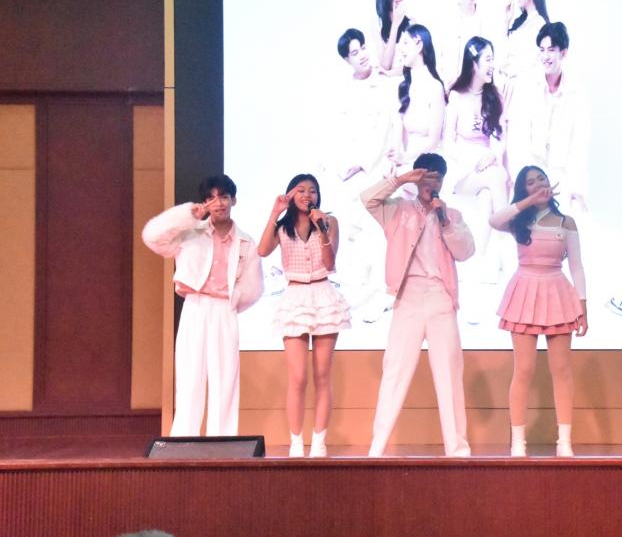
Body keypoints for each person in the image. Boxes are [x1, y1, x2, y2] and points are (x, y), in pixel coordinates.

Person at [360, 153, 475, 457]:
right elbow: (367, 199)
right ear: (417, 177)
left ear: (443, 182)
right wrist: (401, 180)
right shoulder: (398, 209)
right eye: (426, 176)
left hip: (440, 297)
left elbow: (465, 252)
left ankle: (457, 450)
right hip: (408, 295)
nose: (431, 182)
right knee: (395, 370)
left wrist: (444, 219)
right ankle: (376, 449)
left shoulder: (452, 215)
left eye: (437, 177)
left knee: (449, 373)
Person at [142, 175, 263, 437]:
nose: (218, 203)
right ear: (205, 202)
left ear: (233, 200)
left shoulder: (245, 241)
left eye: (224, 197)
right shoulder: (190, 233)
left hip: (224, 309)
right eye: (211, 198)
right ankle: (183, 440)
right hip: (195, 306)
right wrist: (187, 216)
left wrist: (233, 300)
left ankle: (224, 441)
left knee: (225, 378)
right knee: (190, 376)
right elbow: (151, 236)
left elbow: (254, 287)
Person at [489, 166, 587, 457]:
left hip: (557, 292)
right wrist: (528, 202)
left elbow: (577, 267)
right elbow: (494, 220)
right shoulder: (518, 220)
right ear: (523, 189)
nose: (537, 185)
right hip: (525, 291)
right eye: (530, 183)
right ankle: (518, 442)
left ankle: (564, 442)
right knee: (524, 369)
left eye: (540, 179)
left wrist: (583, 304)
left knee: (562, 370)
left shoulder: (566, 222)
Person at [257, 174, 351, 457]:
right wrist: (274, 213)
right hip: (295, 296)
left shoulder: (329, 221)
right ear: (290, 194)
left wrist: (322, 230)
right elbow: (262, 250)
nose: (308, 195)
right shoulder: (282, 227)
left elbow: (330, 263)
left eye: (313, 190)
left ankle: (319, 442)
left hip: (323, 294)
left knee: (322, 376)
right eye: (301, 190)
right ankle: (296, 442)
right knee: (297, 378)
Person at [332, 28, 402, 315]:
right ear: (346, 59)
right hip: (352, 169)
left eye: (362, 47)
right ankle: (356, 285)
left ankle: (380, 289)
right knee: (348, 220)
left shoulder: (385, 85)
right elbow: (342, 133)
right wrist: (345, 166)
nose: (361, 55)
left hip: (377, 165)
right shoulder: (345, 91)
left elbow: (389, 128)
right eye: (354, 52)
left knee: (373, 221)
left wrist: (362, 164)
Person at [444, 36, 509, 282]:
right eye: (488, 60)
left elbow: (499, 138)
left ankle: (477, 260)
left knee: (488, 196)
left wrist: (490, 155)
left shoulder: (495, 96)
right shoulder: (456, 96)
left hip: (487, 167)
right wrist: (476, 160)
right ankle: (506, 246)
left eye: (493, 59)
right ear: (474, 63)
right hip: (462, 171)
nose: (492, 65)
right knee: (497, 176)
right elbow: (448, 143)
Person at [506, 22, 588, 210]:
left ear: (563, 53)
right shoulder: (526, 85)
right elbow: (517, 138)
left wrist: (577, 188)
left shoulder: (577, 92)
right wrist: (525, 181)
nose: (545, 56)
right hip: (530, 170)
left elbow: (579, 144)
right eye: (542, 50)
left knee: (573, 216)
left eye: (551, 50)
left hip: (560, 174)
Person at [397, 24, 447, 168]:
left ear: (419, 45)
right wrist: (397, 158)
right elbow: (400, 135)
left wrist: (405, 158)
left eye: (405, 42)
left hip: (429, 161)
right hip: (407, 159)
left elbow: (434, 141)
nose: (400, 48)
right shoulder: (404, 87)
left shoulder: (435, 87)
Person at [500, 0, 549, 93]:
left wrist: (505, 69)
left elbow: (525, 63)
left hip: (522, 91)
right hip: (508, 87)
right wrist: (506, 21)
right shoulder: (521, 22)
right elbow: (503, 52)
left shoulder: (539, 24)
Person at [439, 0, 486, 84]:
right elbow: (437, 55)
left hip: (473, 88)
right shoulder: (447, 16)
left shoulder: (484, 20)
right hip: (447, 85)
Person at [374, 0, 412, 74]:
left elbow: (416, 63)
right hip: (389, 81)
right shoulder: (377, 26)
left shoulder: (411, 23)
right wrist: (395, 24)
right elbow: (386, 65)